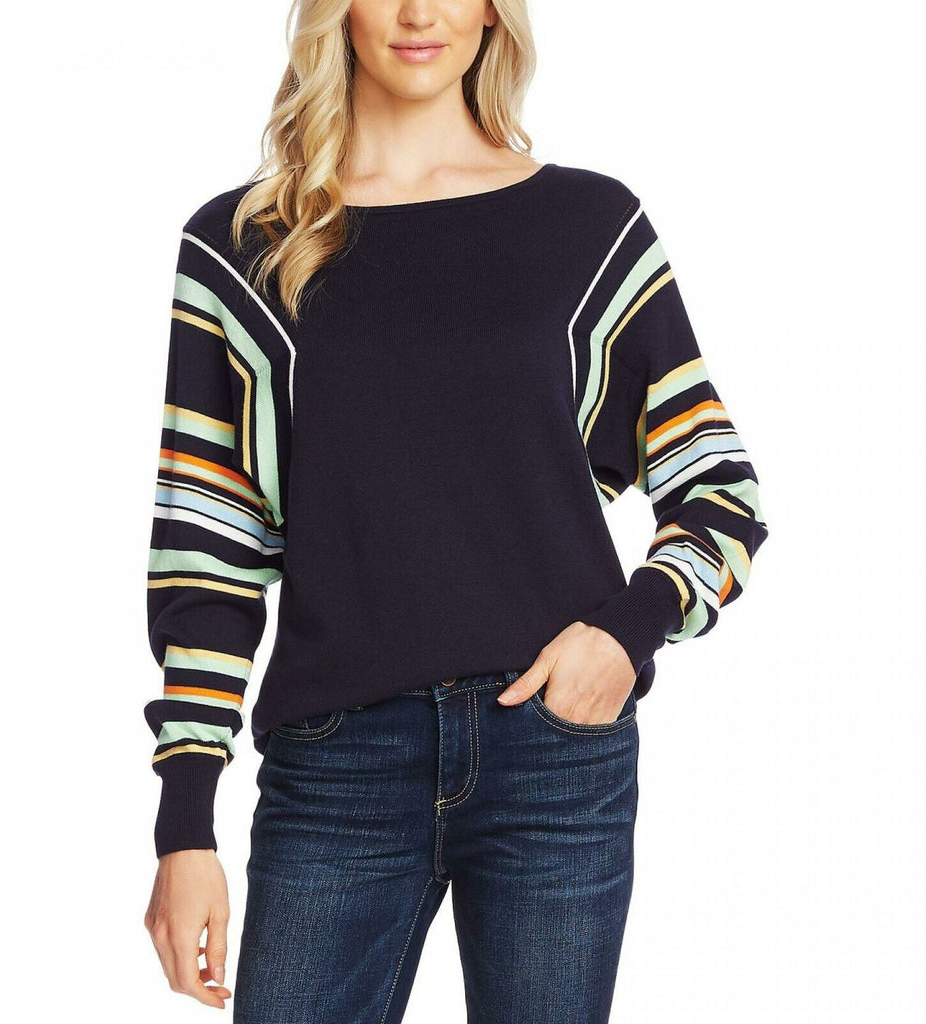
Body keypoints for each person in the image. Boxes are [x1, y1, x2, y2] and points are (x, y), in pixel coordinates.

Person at [141, 2, 769, 1021]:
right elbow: (207, 546)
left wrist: (625, 633)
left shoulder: (589, 229)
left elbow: (718, 485)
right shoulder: (240, 247)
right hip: (335, 765)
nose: (420, 13)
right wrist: (184, 823)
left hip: (554, 754)